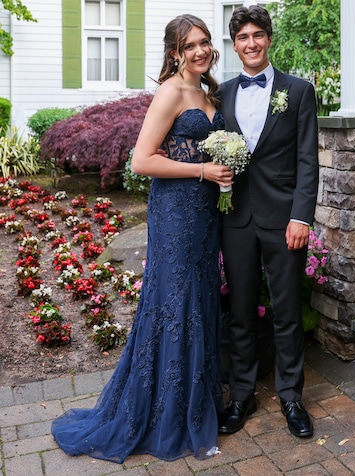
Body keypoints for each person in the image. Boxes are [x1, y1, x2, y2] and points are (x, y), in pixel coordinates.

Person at [51, 14, 234, 463]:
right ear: (174, 52)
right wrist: (203, 170)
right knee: (177, 302)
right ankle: (166, 412)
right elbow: (141, 160)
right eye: (190, 45)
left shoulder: (209, 91)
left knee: (200, 297)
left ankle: (194, 401)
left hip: (206, 213)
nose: (200, 51)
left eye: (204, 42)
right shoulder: (171, 91)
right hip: (176, 213)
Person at [217, 6, 319, 438]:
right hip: (236, 217)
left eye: (258, 35)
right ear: (234, 44)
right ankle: (241, 394)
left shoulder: (299, 91)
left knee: (287, 311)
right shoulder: (220, 94)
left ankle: (292, 397)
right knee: (240, 311)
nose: (251, 43)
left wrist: (301, 217)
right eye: (243, 37)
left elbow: (308, 159)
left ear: (269, 39)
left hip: (284, 219)